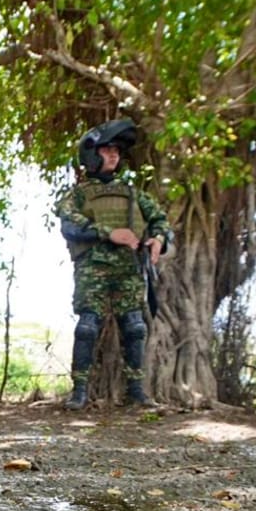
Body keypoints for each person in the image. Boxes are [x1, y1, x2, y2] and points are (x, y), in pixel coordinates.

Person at [55, 119, 171, 409]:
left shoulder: (134, 194)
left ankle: (136, 391)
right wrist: (110, 233)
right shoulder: (78, 195)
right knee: (87, 327)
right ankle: (79, 391)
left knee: (135, 327)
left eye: (116, 151)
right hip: (92, 268)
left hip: (128, 268)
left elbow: (160, 221)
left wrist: (158, 239)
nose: (113, 155)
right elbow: (70, 226)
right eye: (106, 150)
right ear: (91, 154)